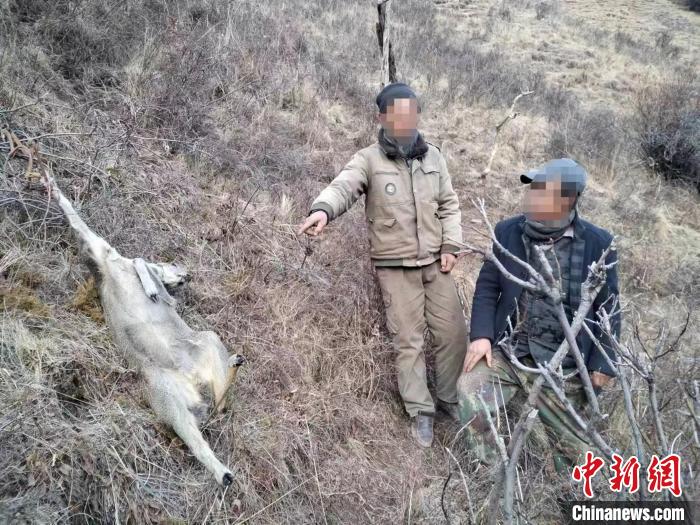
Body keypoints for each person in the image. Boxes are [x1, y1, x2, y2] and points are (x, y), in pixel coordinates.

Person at [298, 83, 467, 448]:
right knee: (409, 340)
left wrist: (452, 244)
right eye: (397, 114)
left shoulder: (434, 157)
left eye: (411, 113)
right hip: (395, 265)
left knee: (453, 333)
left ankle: (450, 399)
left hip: (436, 262)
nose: (406, 120)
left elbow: (449, 204)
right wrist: (322, 210)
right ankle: (420, 411)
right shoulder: (368, 159)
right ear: (382, 118)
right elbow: (343, 187)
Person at [458, 158, 620, 472]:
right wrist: (481, 336)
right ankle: (491, 472)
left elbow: (609, 307)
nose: (532, 197)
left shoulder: (599, 244)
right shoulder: (508, 231)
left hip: (565, 367)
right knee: (470, 388)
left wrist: (603, 363)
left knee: (573, 453)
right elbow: (488, 287)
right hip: (512, 351)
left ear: (568, 200)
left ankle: (570, 491)